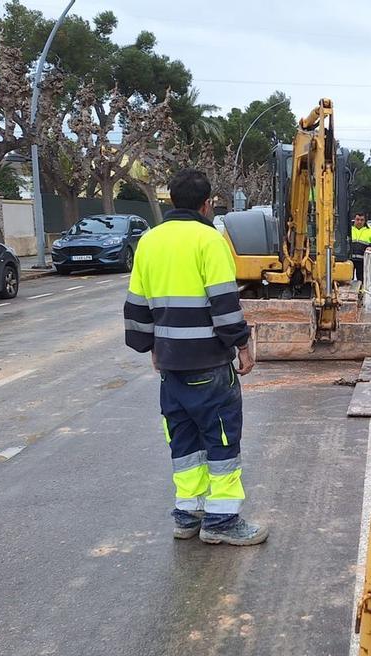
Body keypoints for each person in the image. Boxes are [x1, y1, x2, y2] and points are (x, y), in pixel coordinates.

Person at [123, 168, 268, 546]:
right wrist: (242, 345)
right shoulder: (209, 240)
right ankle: (221, 521)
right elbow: (223, 302)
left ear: (172, 200)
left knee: (184, 442)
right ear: (207, 205)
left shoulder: (149, 241)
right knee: (221, 439)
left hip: (170, 365)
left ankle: (187, 514)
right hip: (209, 363)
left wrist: (152, 346)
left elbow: (137, 305)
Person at [349, 213, 371, 284]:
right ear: (354, 219)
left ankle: (361, 294)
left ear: (365, 221)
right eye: (358, 219)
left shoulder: (370, 230)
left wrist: (370, 247)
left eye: (362, 220)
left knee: (361, 279)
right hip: (349, 259)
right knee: (348, 280)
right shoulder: (348, 228)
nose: (359, 222)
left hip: (362, 259)